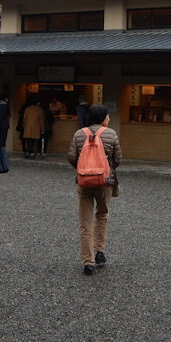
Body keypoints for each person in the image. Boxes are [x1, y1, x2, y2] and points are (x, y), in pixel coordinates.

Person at [67, 103, 122, 276]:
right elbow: (118, 159)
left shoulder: (79, 134)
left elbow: (71, 157)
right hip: (104, 182)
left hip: (84, 182)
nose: (109, 118)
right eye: (108, 115)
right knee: (102, 215)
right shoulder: (111, 133)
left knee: (85, 221)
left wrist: (84, 169)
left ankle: (87, 262)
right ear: (103, 118)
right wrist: (105, 168)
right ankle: (99, 251)